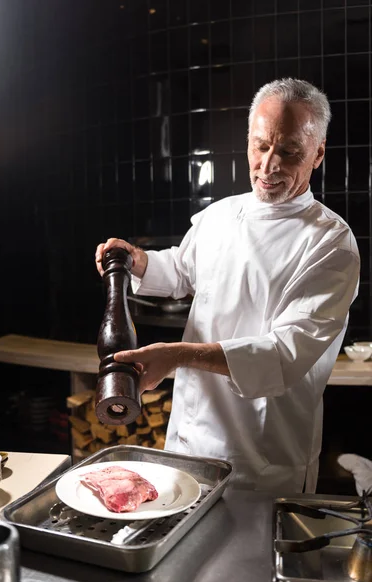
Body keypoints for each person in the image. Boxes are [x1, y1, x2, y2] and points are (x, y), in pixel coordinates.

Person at [95, 78, 360, 493]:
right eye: (260, 146)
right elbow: (182, 271)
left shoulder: (330, 243)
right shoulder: (221, 215)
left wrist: (178, 355)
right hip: (188, 444)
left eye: (289, 151)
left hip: (261, 462)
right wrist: (138, 260)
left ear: (318, 153)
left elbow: (284, 354)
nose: (269, 165)